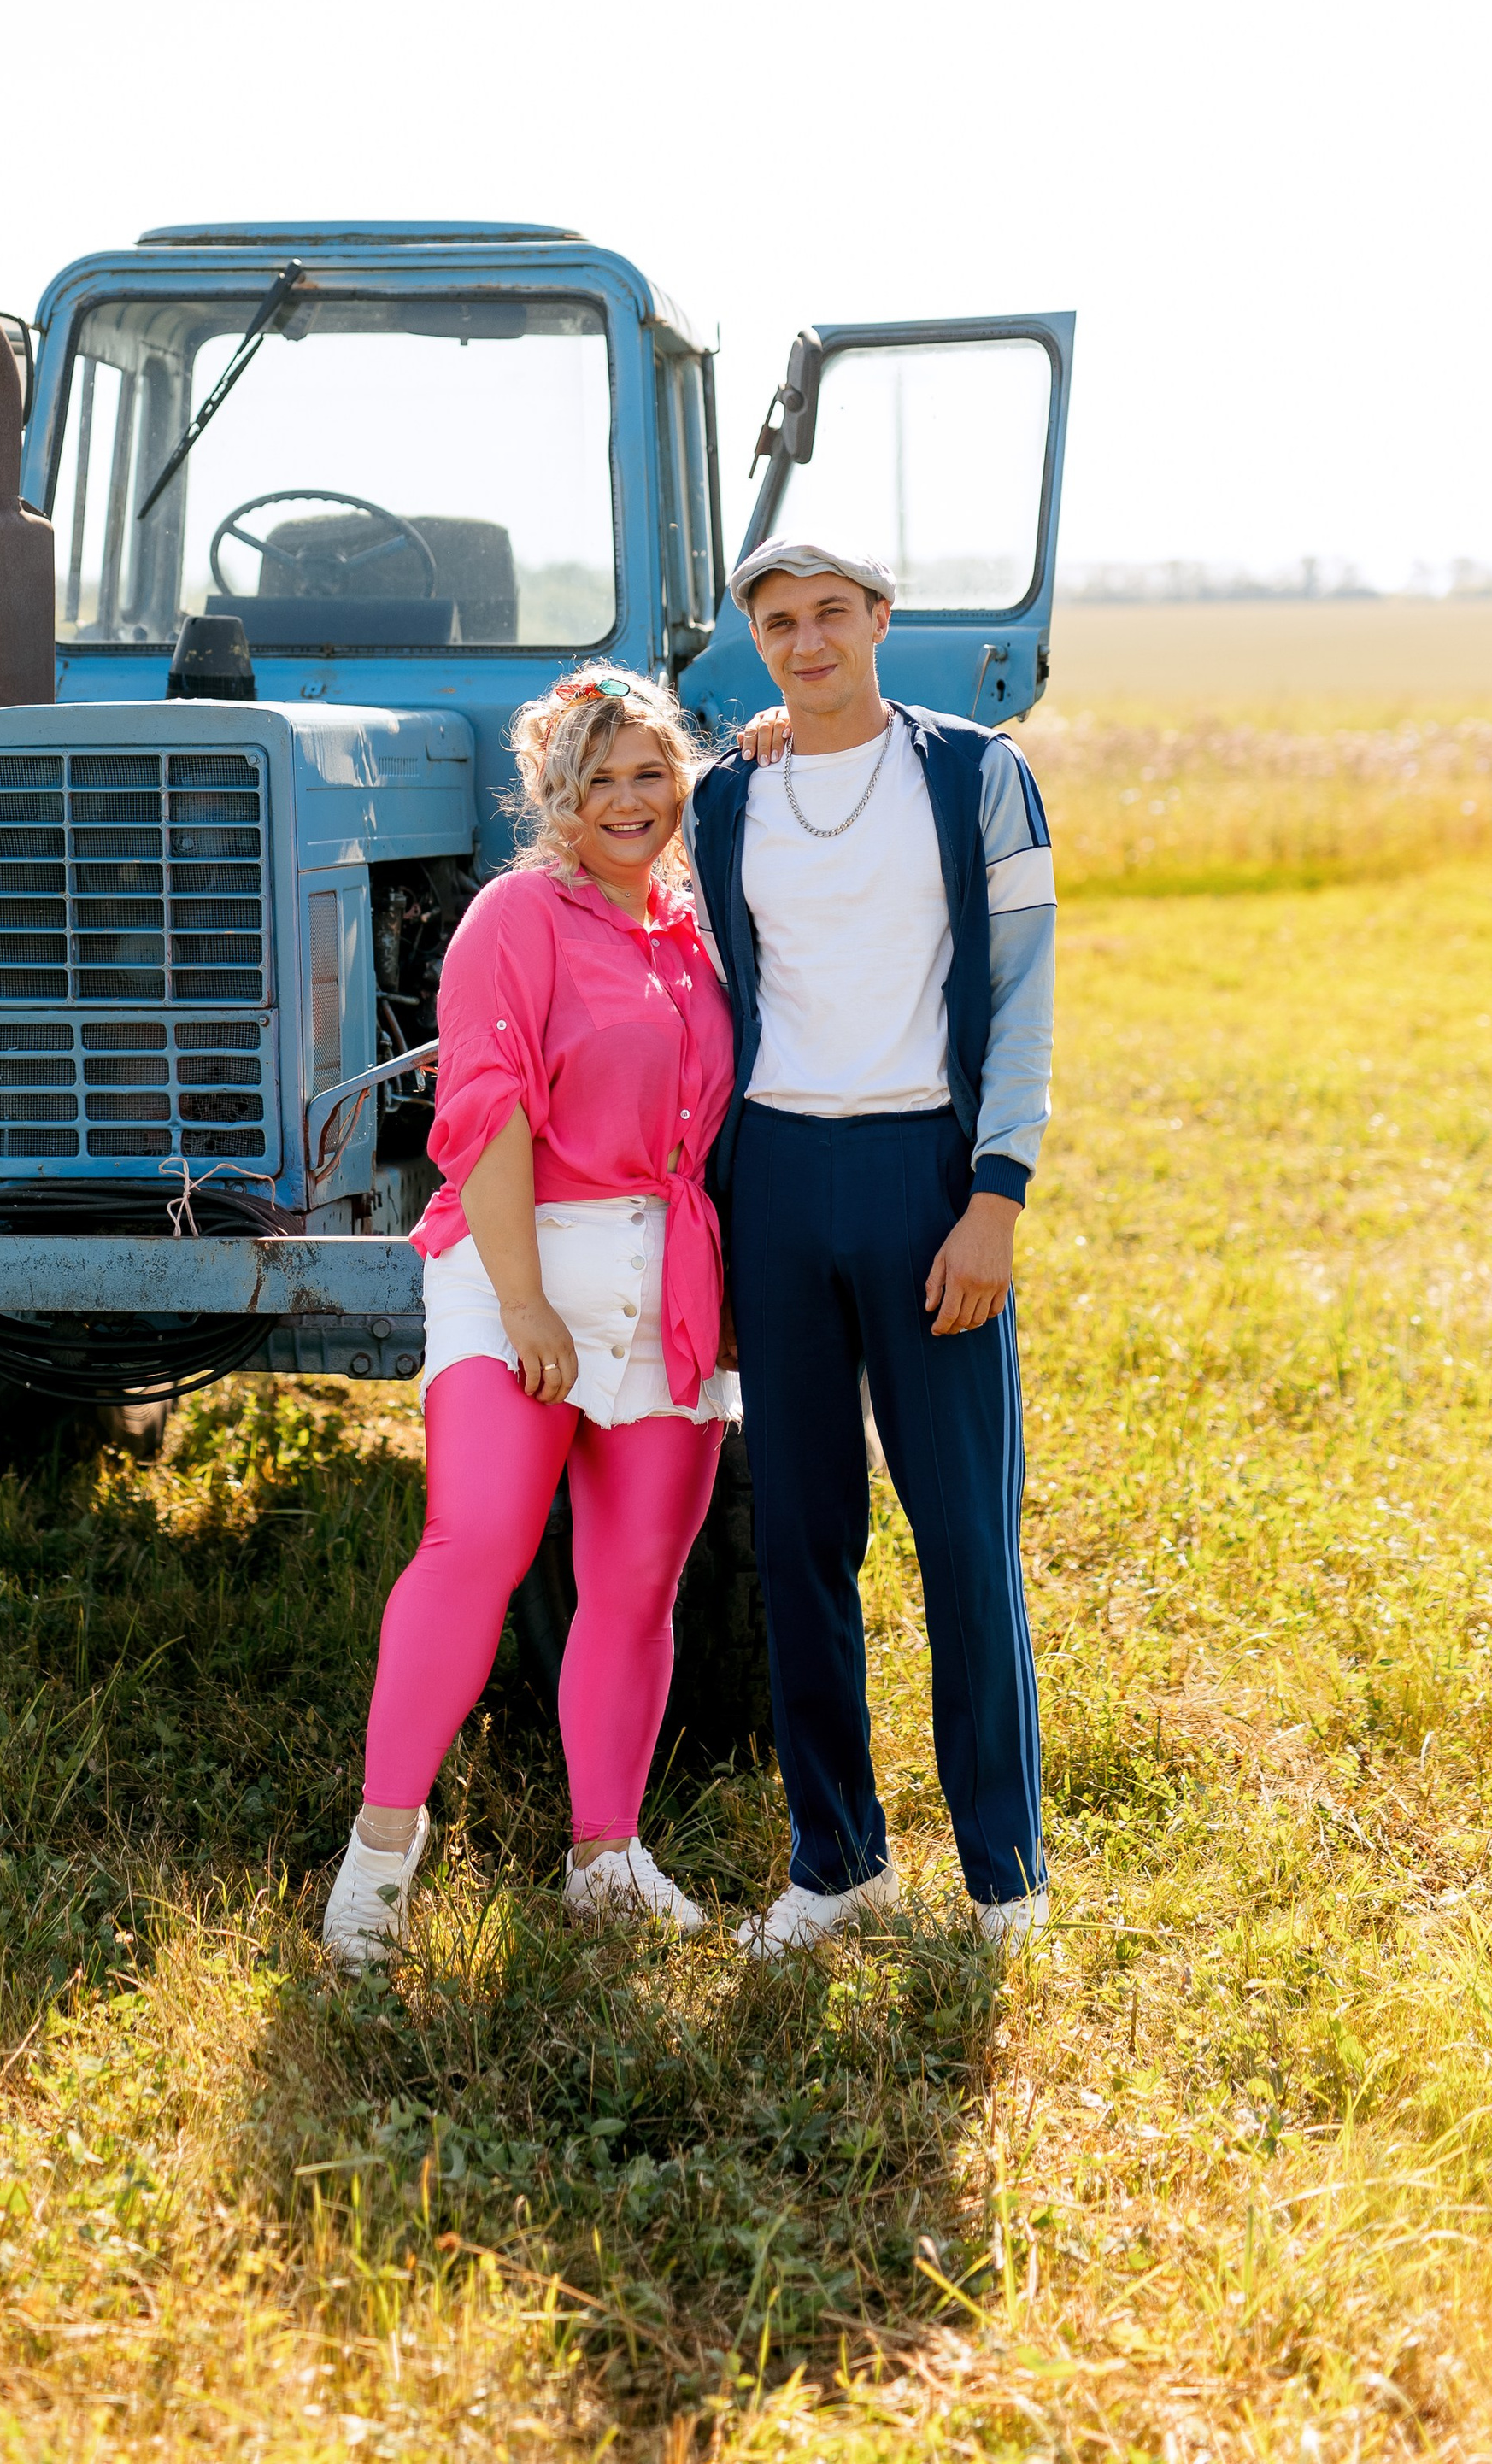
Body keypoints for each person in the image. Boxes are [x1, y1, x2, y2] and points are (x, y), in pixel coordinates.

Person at [323, 666, 739, 1969]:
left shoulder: (696, 929)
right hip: (525, 1259)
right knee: (481, 1542)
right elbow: (487, 1113)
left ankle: (606, 1856)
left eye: (651, 772)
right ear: (557, 794)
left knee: (635, 1582)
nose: (630, 800)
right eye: (600, 777)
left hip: (669, 1272)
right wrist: (523, 1304)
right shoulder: (517, 917)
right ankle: (378, 1866)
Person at [685, 541, 1056, 1957]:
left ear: (882, 621)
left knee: (964, 1534)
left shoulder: (974, 774)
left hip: (924, 1174)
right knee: (798, 1538)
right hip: (776, 1175)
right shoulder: (731, 797)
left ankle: (1005, 1883)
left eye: (832, 613)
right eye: (779, 623)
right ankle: (837, 1864)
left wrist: (996, 1196)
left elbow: (1024, 988)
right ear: (758, 645)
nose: (807, 640)